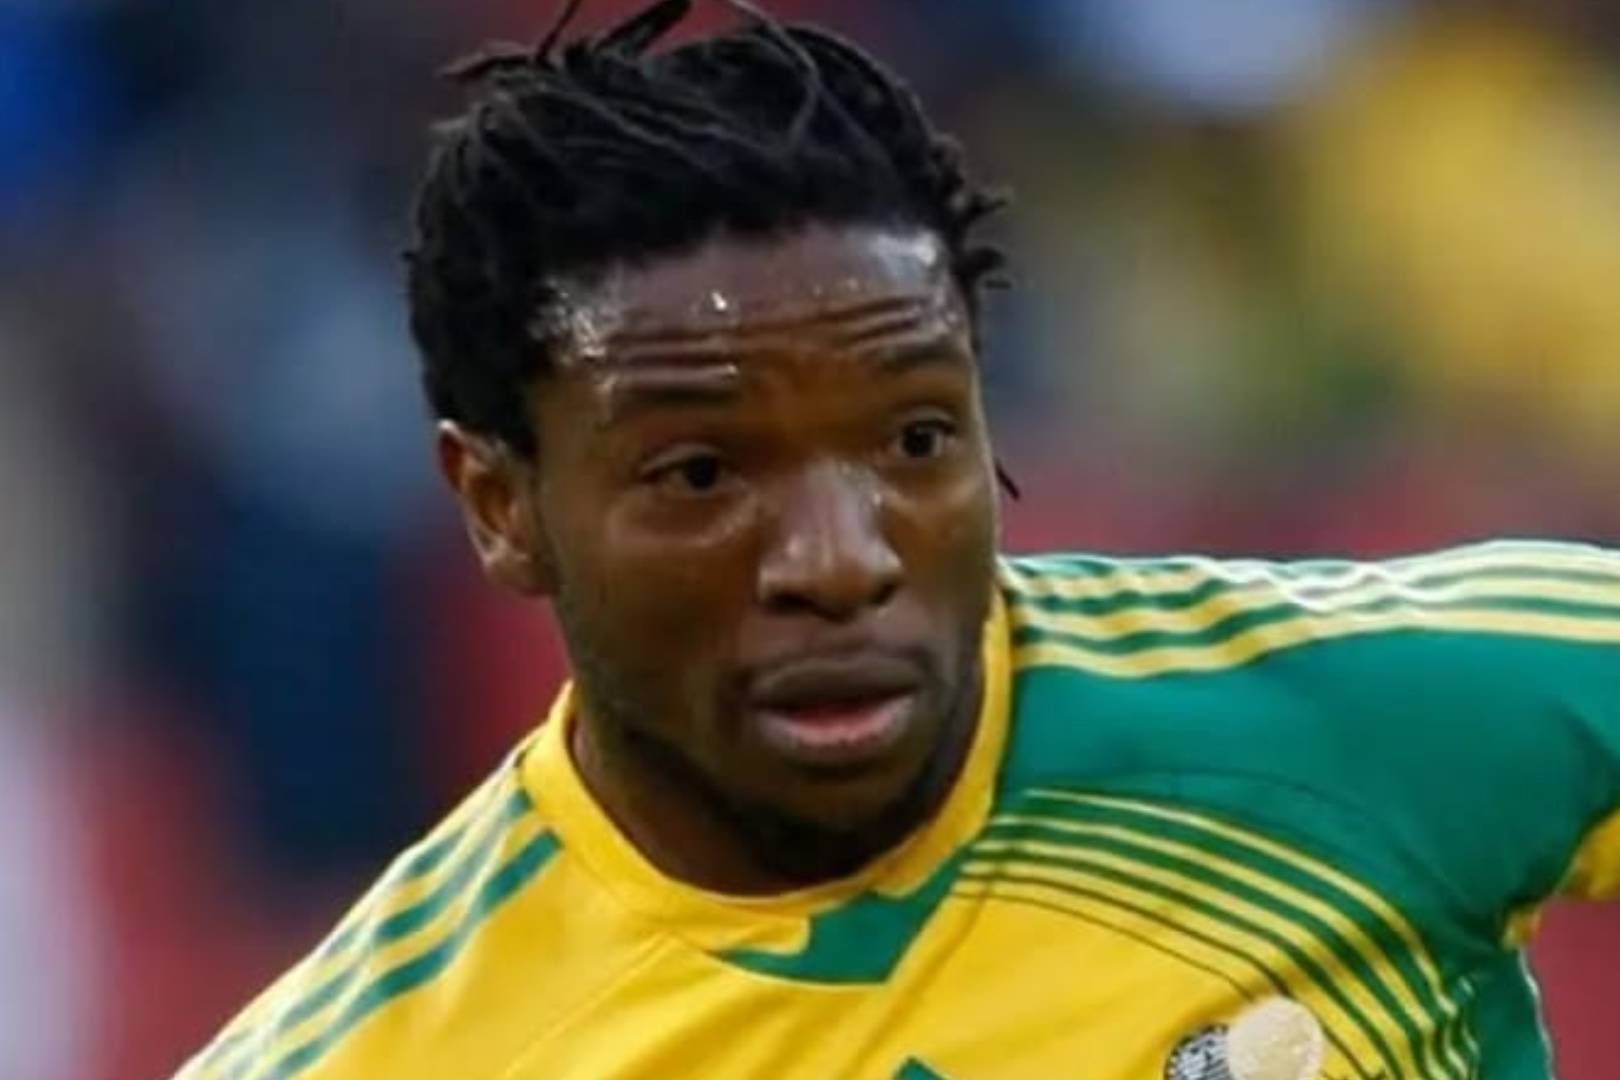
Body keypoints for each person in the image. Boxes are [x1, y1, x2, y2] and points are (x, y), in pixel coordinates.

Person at [172, 2, 1620, 1078]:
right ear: (501, 507)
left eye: (916, 440)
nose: (839, 558)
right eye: (700, 474)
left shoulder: (1353, 723)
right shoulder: (382, 1055)